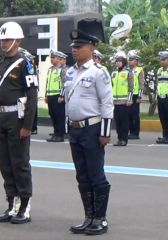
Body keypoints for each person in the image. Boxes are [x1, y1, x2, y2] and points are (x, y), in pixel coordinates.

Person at [65, 28, 114, 235]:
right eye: (73, 47)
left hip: (92, 129)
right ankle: (88, 217)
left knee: (96, 175)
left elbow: (107, 103)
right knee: (82, 176)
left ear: (92, 48)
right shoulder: (70, 71)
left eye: (79, 47)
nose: (75, 50)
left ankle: (100, 219)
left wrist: (104, 133)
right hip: (75, 130)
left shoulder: (98, 72)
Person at [0, 21, 38, 224]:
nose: (3, 43)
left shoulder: (25, 63)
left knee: (20, 164)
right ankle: (11, 204)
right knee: (5, 164)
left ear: (17, 41)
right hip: (0, 118)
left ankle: (24, 206)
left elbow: (32, 96)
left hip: (17, 119)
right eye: (1, 40)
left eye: (7, 39)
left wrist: (27, 125)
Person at [112, 52, 134, 146]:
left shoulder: (128, 72)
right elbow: (111, 86)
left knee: (124, 122)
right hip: (115, 102)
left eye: (119, 61)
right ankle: (119, 138)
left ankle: (124, 139)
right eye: (116, 61)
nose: (118, 63)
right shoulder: (113, 73)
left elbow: (131, 87)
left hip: (124, 101)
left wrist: (129, 99)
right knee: (117, 122)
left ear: (123, 62)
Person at [45, 50, 67, 142]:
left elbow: (65, 84)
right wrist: (46, 95)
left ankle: (60, 135)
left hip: (58, 96)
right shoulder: (50, 69)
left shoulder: (62, 70)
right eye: (51, 58)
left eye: (53, 58)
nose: (51, 59)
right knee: (52, 114)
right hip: (50, 95)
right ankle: (55, 133)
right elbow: (47, 83)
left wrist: (61, 96)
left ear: (59, 59)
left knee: (59, 116)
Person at [127, 50, 144, 140]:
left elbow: (141, 84)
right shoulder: (127, 70)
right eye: (129, 59)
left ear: (136, 61)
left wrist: (140, 96)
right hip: (128, 95)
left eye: (132, 59)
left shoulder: (139, 70)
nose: (130, 61)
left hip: (136, 95)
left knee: (135, 115)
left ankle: (135, 133)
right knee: (128, 114)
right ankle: (130, 132)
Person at [156, 51, 168, 144]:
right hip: (161, 97)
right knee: (163, 118)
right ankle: (165, 136)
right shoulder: (159, 70)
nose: (162, 61)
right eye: (161, 60)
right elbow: (158, 83)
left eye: (164, 59)